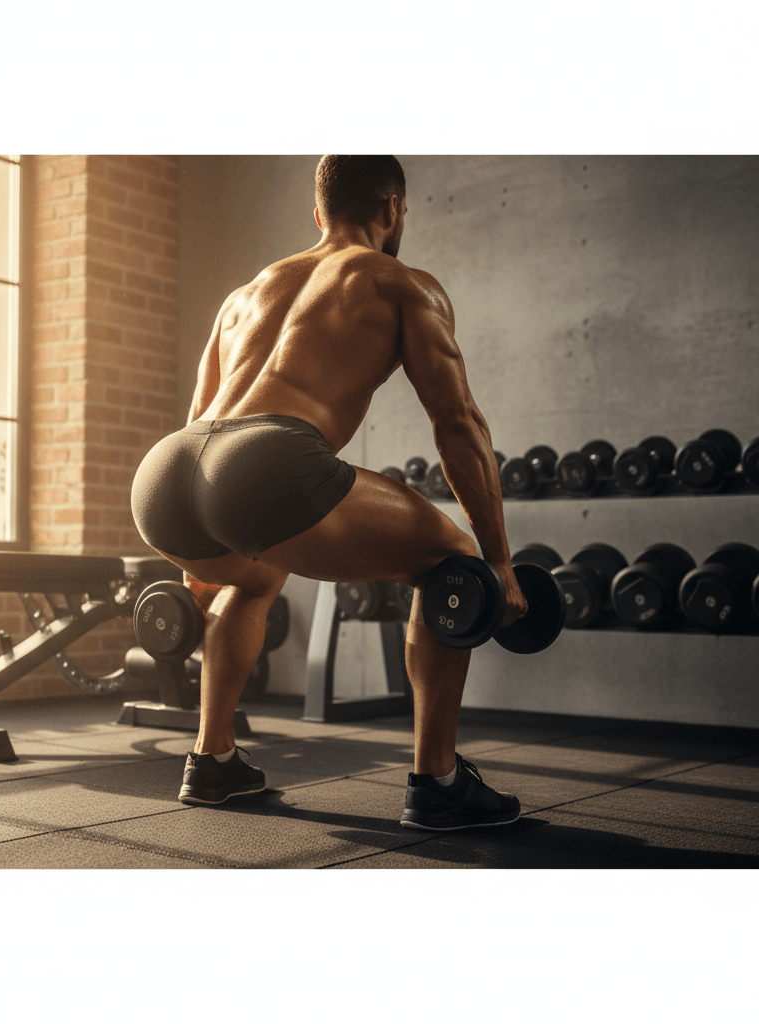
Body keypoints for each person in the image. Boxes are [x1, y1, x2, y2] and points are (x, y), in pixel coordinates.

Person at [131, 155, 528, 830]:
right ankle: (438, 782)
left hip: (166, 475)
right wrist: (499, 564)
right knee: (450, 563)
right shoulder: (402, 284)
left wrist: (192, 569)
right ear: (394, 209)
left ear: (317, 214)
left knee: (254, 579)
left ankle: (212, 760)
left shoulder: (243, 295)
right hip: (265, 464)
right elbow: (458, 424)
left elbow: (205, 425)